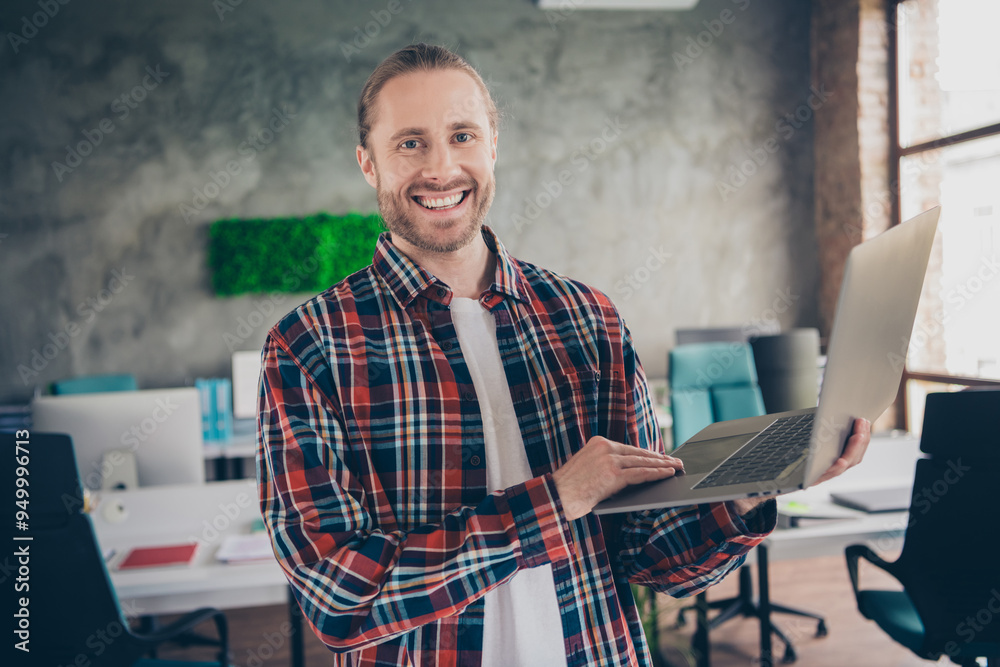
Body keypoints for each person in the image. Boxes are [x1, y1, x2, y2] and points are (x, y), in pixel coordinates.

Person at [256, 43, 871, 667]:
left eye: (462, 135)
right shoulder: (311, 346)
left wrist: (749, 490)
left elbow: (648, 555)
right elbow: (340, 600)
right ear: (369, 164)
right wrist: (553, 502)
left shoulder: (587, 319)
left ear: (493, 145)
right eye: (410, 143)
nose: (442, 169)